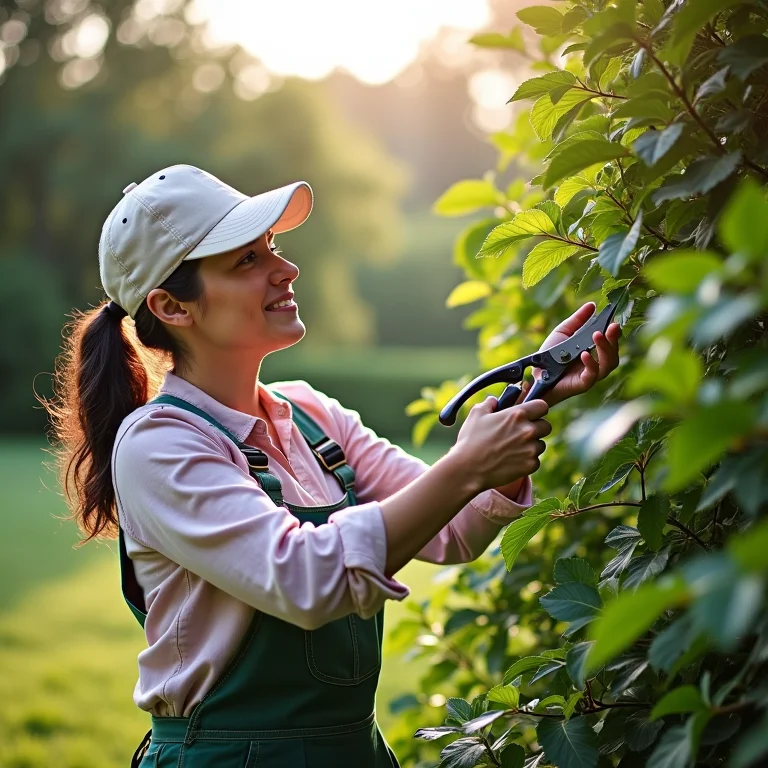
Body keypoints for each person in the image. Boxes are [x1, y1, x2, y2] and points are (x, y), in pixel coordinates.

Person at [46, 165, 621, 768]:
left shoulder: (314, 417)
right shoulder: (158, 443)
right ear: (171, 305)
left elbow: (456, 526)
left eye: (272, 248)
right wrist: (467, 464)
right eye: (246, 261)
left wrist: (535, 392)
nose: (285, 269)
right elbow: (306, 580)